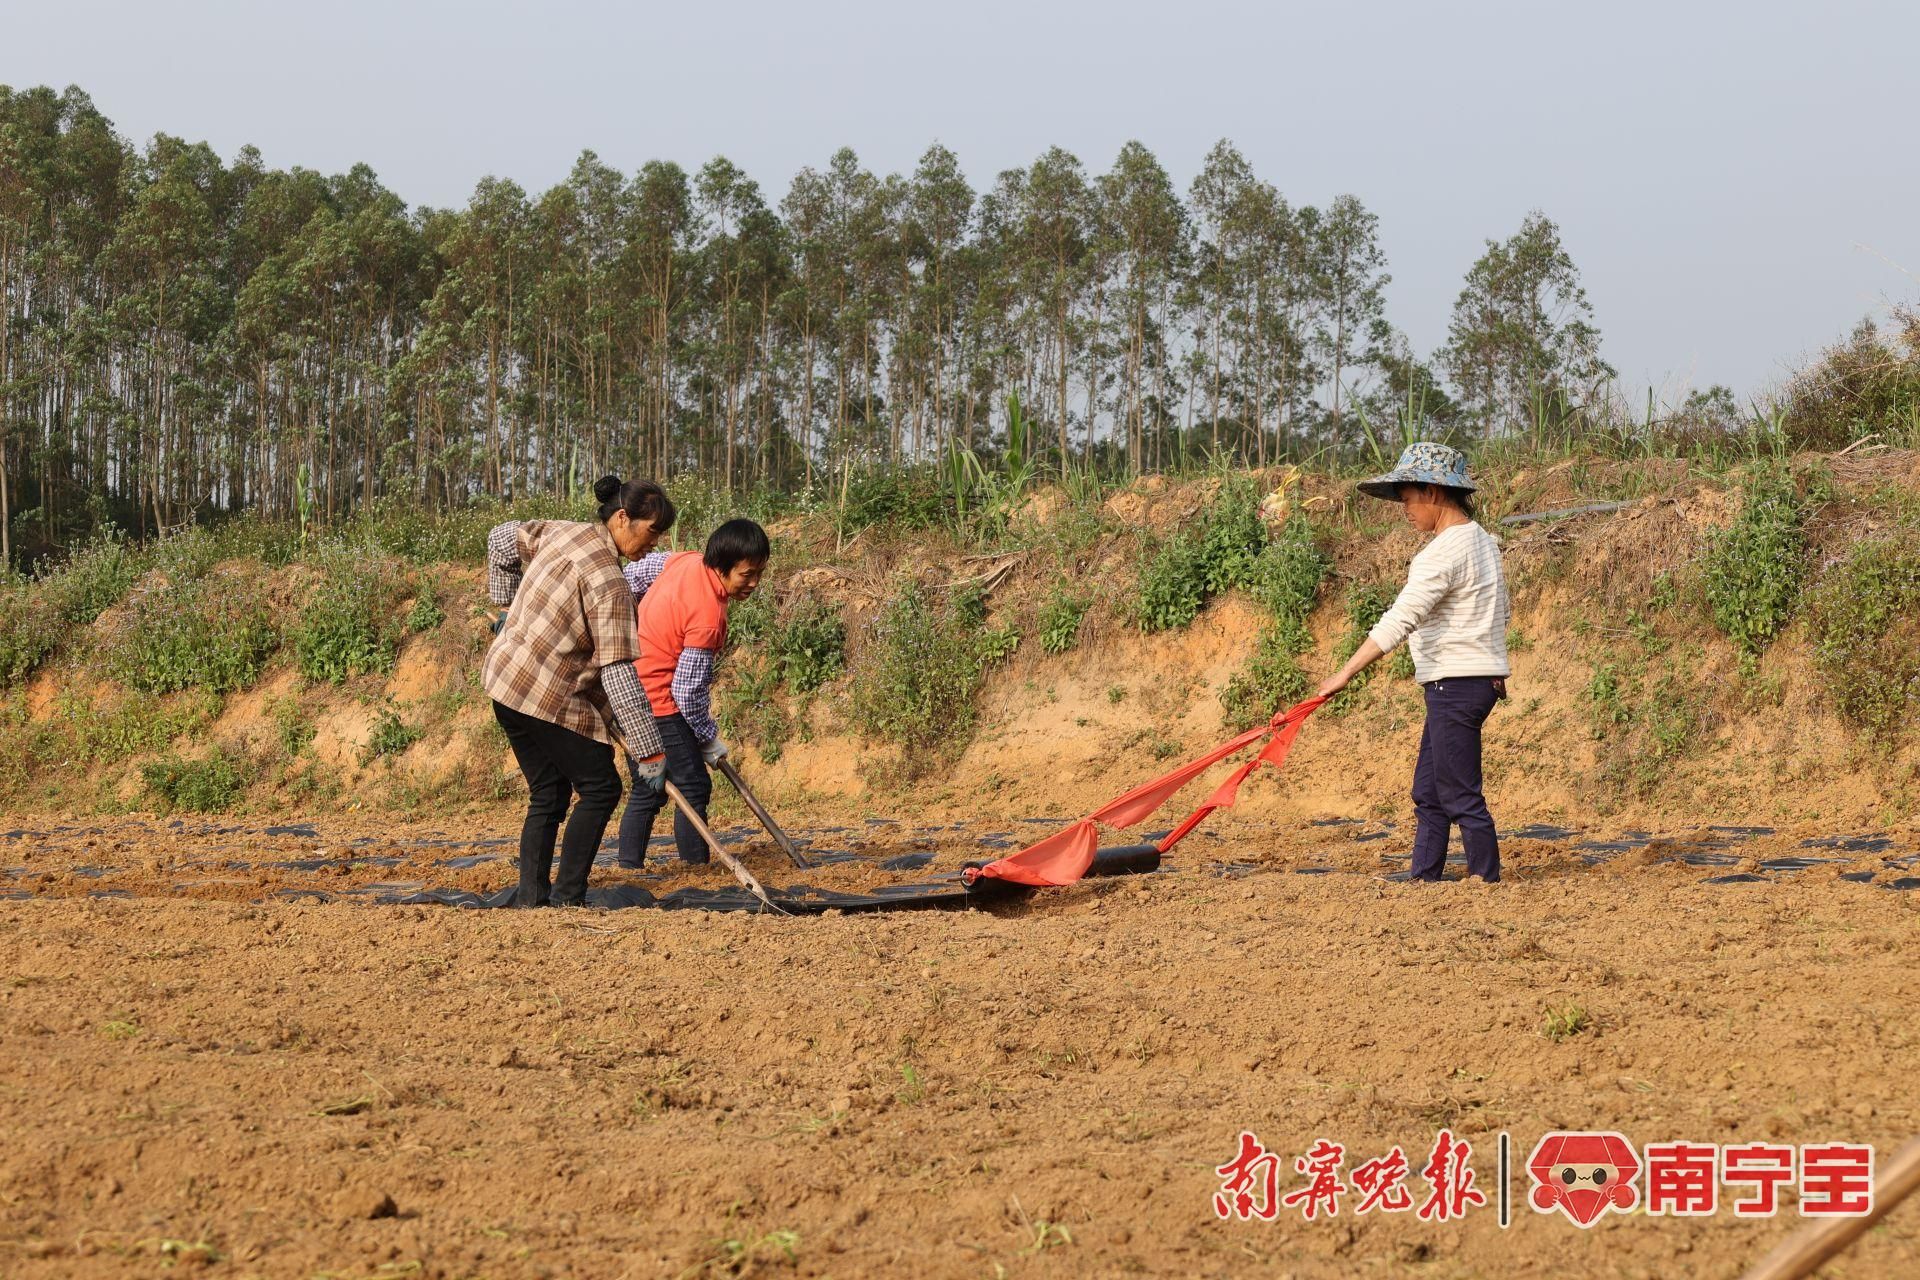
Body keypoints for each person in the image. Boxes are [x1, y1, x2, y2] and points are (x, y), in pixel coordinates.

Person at [1315, 443, 1510, 882]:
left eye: (1407, 499)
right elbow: (1503, 613)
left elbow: (1401, 618)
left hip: (1456, 683)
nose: (1405, 510)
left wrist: (1344, 673)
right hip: (1474, 682)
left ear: (1435, 492)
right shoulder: (1484, 543)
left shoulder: (1442, 552)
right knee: (1429, 791)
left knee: (1460, 795)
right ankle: (1424, 875)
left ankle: (1487, 880)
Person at [483, 476, 676, 906]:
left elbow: (498, 541)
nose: (655, 543)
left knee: (548, 792)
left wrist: (505, 608)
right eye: (651, 531)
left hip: (504, 681)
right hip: (542, 692)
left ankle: (534, 898)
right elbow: (620, 675)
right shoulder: (610, 585)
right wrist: (650, 753)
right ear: (623, 518)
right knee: (601, 787)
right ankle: (568, 896)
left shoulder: (564, 531)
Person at [616, 518, 770, 867]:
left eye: (759, 573)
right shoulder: (708, 617)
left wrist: (635, 619)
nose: (754, 583)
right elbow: (686, 691)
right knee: (693, 785)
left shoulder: (683, 561)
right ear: (722, 565)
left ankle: (629, 867)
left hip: (627, 691)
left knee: (648, 786)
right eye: (747, 574)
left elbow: (631, 575)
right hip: (657, 700)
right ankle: (695, 870)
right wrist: (707, 738)